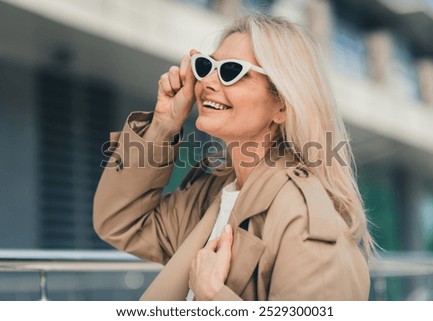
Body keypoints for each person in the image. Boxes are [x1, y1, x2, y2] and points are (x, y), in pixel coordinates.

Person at [93, 14, 373, 301]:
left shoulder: (305, 221)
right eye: (206, 66)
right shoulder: (212, 193)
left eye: (231, 71)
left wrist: (215, 296)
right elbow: (122, 222)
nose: (208, 82)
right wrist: (164, 124)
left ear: (282, 105)